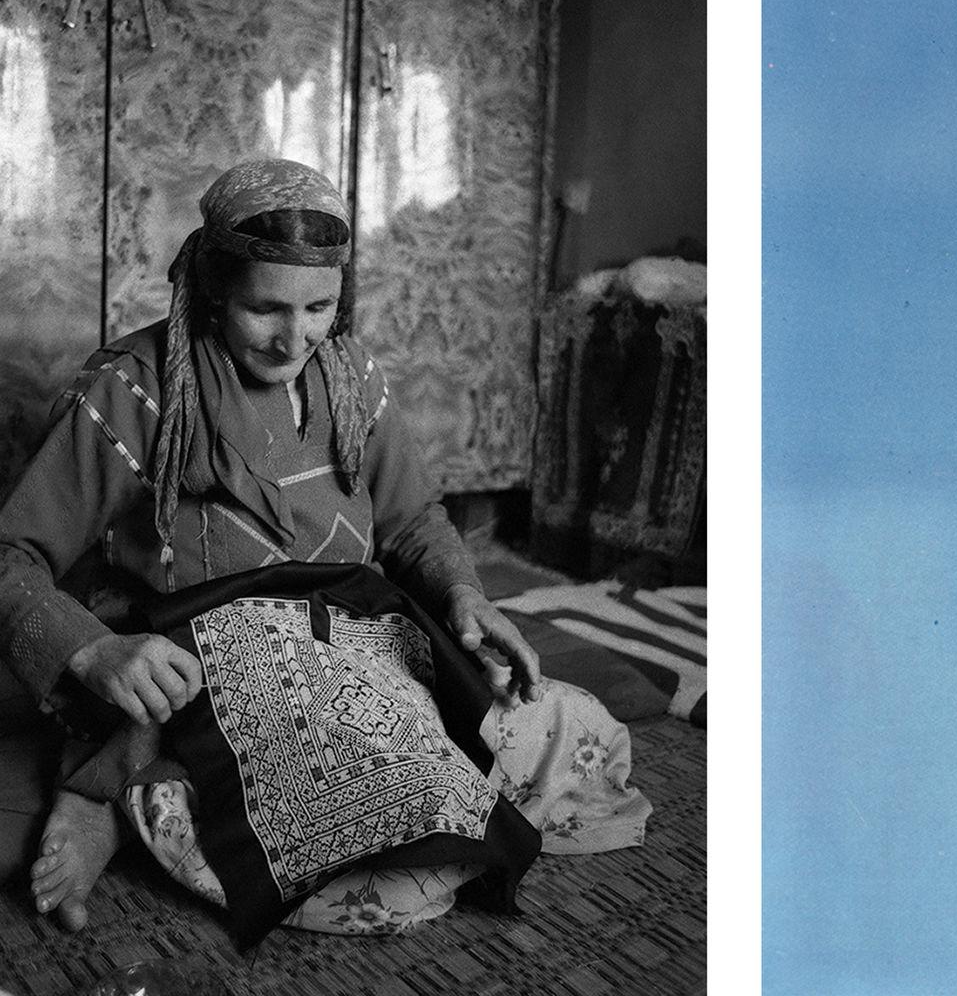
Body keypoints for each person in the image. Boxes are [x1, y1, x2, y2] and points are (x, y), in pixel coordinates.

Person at [0, 158, 647, 932]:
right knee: (393, 881)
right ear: (210, 287)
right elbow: (12, 556)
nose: (293, 338)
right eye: (265, 309)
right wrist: (95, 652)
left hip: (352, 644)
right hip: (207, 662)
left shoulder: (350, 374)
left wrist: (465, 597)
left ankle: (134, 784)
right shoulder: (132, 388)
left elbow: (411, 520)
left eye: (319, 307)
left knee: (577, 739)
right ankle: (120, 780)